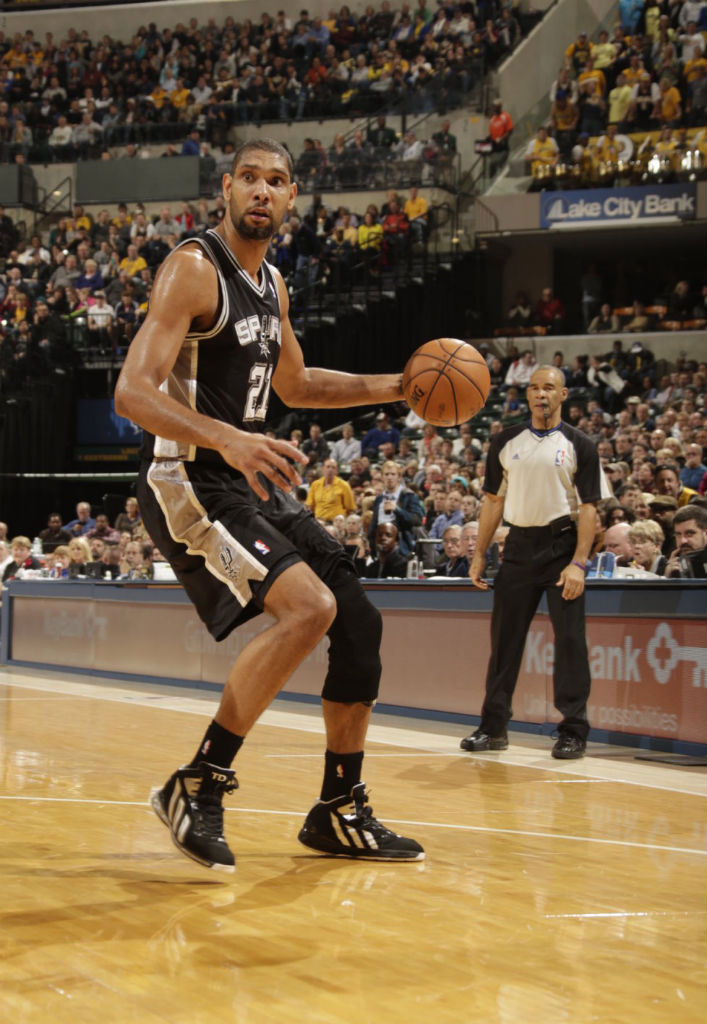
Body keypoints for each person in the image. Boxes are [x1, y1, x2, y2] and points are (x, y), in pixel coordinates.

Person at [113, 137, 424, 871]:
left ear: (291, 199)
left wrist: (400, 385)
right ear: (226, 188)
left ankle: (338, 809)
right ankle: (199, 782)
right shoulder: (193, 268)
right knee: (309, 608)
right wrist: (231, 439)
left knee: (356, 618)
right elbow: (132, 393)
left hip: (242, 476)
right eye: (248, 177)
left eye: (276, 180)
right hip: (185, 476)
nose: (261, 190)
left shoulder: (273, 284)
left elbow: (298, 387)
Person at [460, 366, 602, 760]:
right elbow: (492, 502)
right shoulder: (505, 441)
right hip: (518, 547)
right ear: (527, 396)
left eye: (549, 388)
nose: (542, 394)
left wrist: (579, 564)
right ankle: (493, 728)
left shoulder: (581, 444)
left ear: (563, 395)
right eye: (535, 388)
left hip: (562, 547)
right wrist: (478, 555)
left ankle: (573, 731)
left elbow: (590, 509)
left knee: (570, 642)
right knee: (505, 643)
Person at [368, 460, 424, 558]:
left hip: (400, 549)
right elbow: (374, 524)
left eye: (393, 474)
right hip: (380, 549)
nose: (390, 477)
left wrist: (397, 510)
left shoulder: (409, 495)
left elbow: (417, 520)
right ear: (382, 477)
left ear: (399, 477)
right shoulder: (379, 498)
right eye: (387, 474)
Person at [306, 457, 356, 522]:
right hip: (318, 522)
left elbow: (350, 509)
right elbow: (310, 507)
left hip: (336, 523)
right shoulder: (315, 485)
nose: (330, 470)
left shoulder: (344, 485)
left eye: (333, 467)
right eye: (328, 467)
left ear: (336, 471)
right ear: (323, 468)